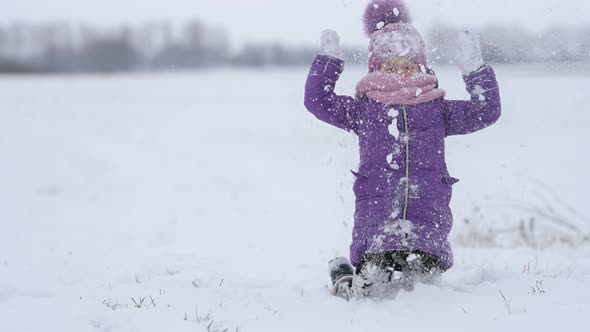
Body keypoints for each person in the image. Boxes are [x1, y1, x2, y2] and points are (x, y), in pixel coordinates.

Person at [304, 0, 501, 298]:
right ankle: (344, 278)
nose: (402, 70)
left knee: (423, 295)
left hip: (426, 227)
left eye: (409, 62)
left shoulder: (436, 109)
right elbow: (318, 101)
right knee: (366, 295)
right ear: (378, 65)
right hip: (378, 227)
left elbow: (485, 111)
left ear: (420, 63)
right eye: (392, 62)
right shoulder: (364, 110)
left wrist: (475, 70)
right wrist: (328, 62)